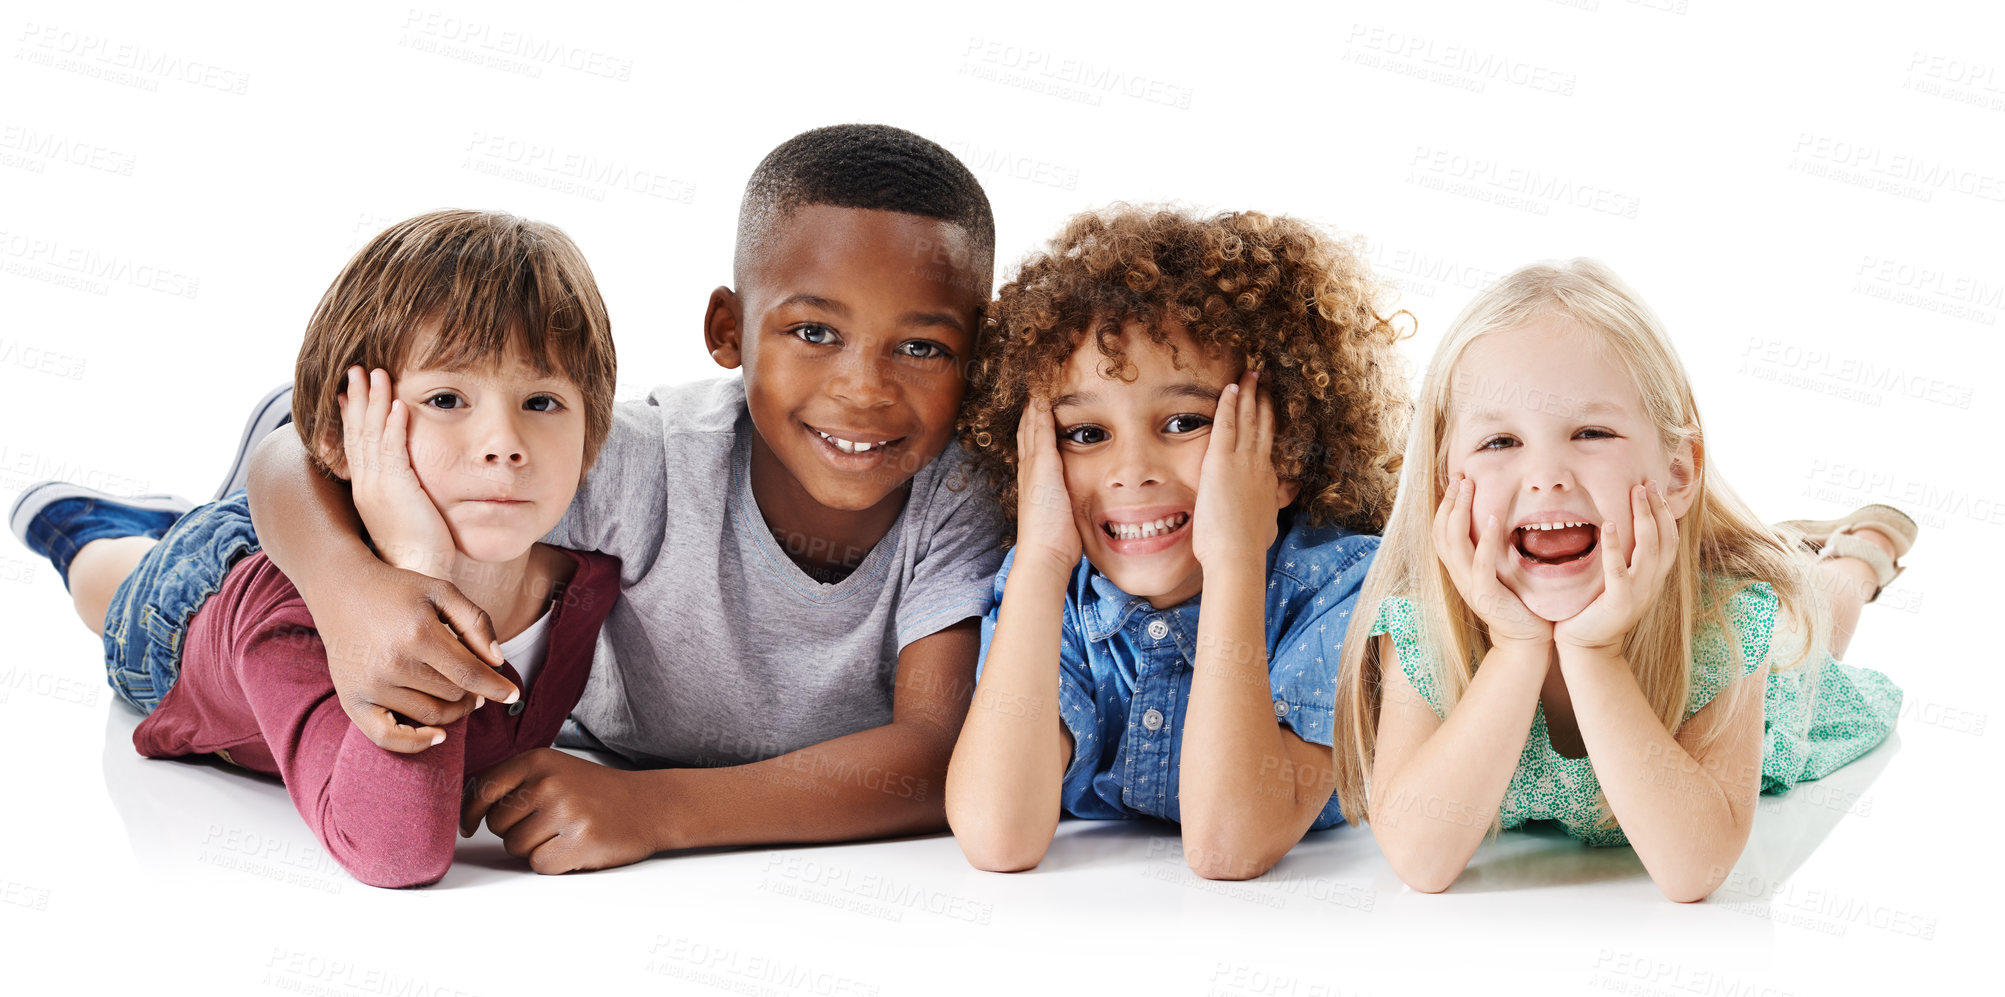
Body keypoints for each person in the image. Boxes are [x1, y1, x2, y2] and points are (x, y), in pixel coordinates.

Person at [240, 124, 1008, 873]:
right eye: (813, 330)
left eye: (921, 347)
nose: (862, 389)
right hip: (241, 561)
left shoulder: (957, 495)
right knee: (177, 567)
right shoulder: (655, 463)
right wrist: (349, 589)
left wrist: (656, 809)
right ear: (728, 329)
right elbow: (290, 439)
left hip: (643, 779)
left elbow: (937, 752)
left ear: (980, 358)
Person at [8, 209, 621, 888]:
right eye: (447, 397)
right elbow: (398, 852)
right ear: (342, 436)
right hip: (197, 603)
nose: (504, 442)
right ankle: (84, 525)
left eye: (541, 402)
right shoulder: (283, 626)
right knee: (113, 591)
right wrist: (420, 567)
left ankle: (281, 435)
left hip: (316, 513)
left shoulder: (589, 586)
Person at [1329, 258, 1908, 902]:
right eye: (1500, 442)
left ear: (1679, 475)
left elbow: (1694, 872)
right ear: (1443, 484)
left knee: (1817, 625)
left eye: (1592, 432)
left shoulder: (1726, 619)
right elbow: (1419, 859)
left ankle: (1857, 554)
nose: (1546, 475)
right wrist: (1518, 646)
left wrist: (1592, 652)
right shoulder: (1420, 626)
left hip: (1775, 694)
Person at [945, 206, 1410, 880]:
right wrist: (1042, 562)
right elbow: (997, 835)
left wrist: (1233, 562)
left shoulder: (1338, 590)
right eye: (1085, 433)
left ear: (1285, 452)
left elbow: (1229, 843)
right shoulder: (1052, 592)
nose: (1131, 469)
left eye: (1183, 421)